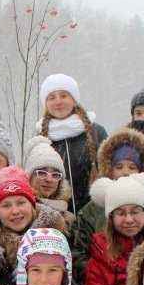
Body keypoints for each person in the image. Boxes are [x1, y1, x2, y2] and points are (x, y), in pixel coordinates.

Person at [70, 127, 144, 285]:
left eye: (132, 167)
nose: (125, 172)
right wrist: (101, 272)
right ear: (109, 169)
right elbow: (78, 252)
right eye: (119, 166)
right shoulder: (92, 209)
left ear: (142, 170)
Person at [0, 166, 68, 285]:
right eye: (6, 205)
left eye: (21, 203)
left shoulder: (57, 238)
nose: (15, 211)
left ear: (32, 205)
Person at [37, 73, 108, 212]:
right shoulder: (40, 137)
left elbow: (109, 170)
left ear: (74, 99)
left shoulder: (96, 132)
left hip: (93, 212)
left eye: (64, 96)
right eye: (52, 97)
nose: (58, 102)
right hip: (55, 214)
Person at [24, 135, 75, 227]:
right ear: (29, 177)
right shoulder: (18, 213)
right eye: (42, 173)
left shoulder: (70, 219)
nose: (49, 179)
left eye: (55, 175)